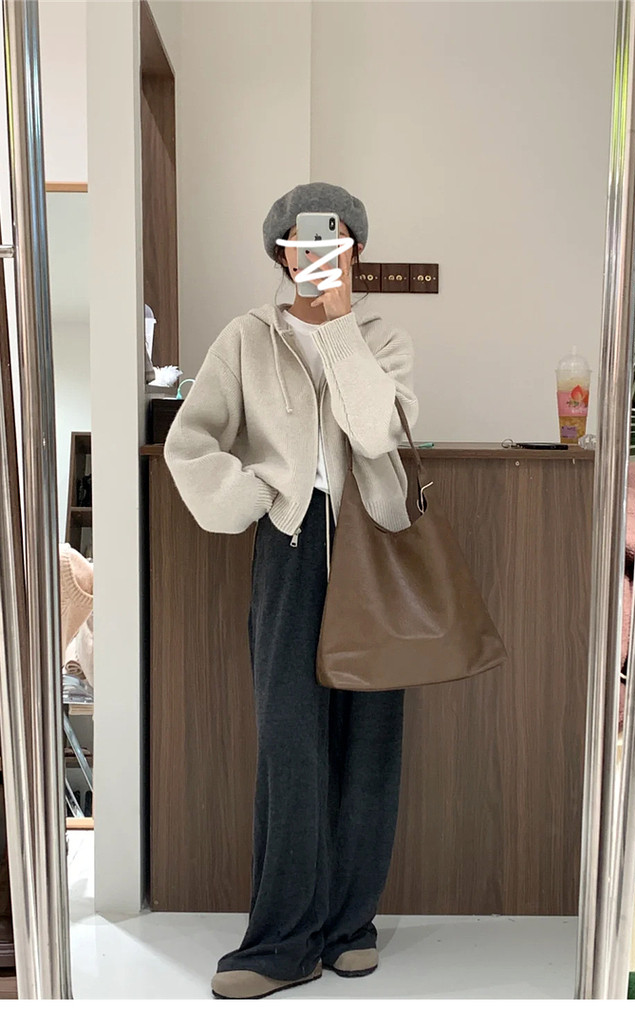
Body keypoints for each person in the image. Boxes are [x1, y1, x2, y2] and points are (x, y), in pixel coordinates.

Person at [163, 182, 419, 1000]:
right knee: (290, 741)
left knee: (369, 739)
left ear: (356, 251)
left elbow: (378, 432)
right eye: (306, 240)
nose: (319, 252)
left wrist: (338, 326)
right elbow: (189, 441)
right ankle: (282, 941)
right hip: (291, 544)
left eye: (336, 239)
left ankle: (349, 926)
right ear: (282, 251)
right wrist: (257, 496)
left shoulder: (382, 339)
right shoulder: (247, 337)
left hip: (375, 548)